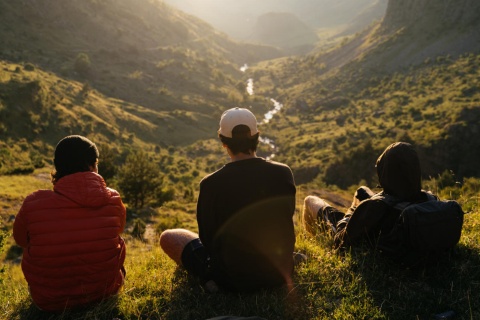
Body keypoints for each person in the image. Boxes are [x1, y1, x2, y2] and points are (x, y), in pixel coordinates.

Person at [160, 107, 298, 292]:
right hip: (278, 273)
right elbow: (285, 217)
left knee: (169, 237)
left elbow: (208, 240)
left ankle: (210, 280)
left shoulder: (210, 184)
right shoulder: (283, 172)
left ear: (223, 142)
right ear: (257, 137)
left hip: (231, 281)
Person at [13, 135, 126, 312]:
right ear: (91, 166)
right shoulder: (113, 198)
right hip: (104, 293)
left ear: (59, 167)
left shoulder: (33, 203)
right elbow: (118, 229)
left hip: (49, 301)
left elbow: (21, 241)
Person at [302, 141, 436, 248]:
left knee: (310, 200)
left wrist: (352, 212)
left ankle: (314, 244)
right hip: (392, 221)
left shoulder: (375, 208)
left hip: (353, 226)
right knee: (362, 190)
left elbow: (340, 241)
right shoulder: (430, 200)